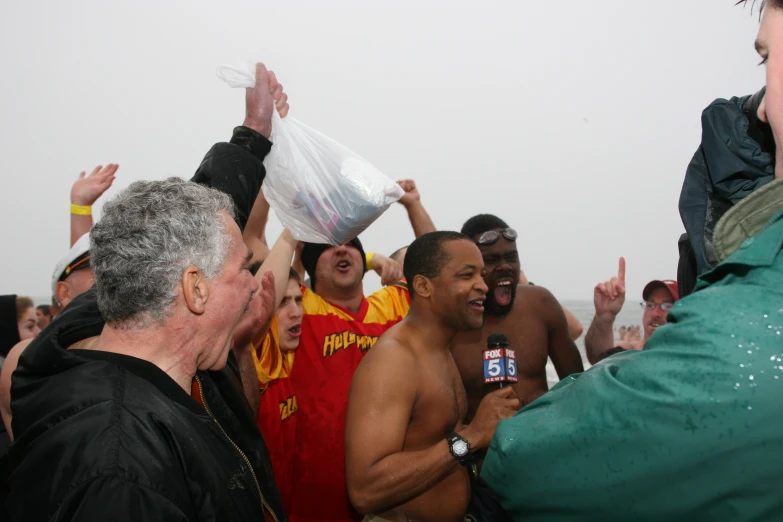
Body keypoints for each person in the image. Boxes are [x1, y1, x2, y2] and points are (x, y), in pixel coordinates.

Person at [480, 4, 783, 519]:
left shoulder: (717, 338)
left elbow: (539, 444)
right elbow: (604, 360)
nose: (757, 109)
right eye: (652, 303)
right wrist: (608, 327)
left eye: (768, 59)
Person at [7, 178, 282, 521]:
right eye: (243, 269)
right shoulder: (121, 471)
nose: (253, 284)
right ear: (195, 288)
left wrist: (252, 134)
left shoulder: (143, 383)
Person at [345, 231, 519, 522]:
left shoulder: (440, 349)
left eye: (481, 274)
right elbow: (365, 490)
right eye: (467, 276)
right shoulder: (393, 360)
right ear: (424, 286)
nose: (483, 286)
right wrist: (472, 436)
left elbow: (433, 435)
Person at [451, 214, 584, 416]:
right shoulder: (450, 323)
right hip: (482, 445)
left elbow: (578, 386)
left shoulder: (541, 303)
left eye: (511, 257)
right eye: (491, 260)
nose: (505, 266)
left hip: (542, 437)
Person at [252, 266, 304, 515]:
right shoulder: (257, 361)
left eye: (298, 300)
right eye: (282, 302)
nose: (297, 313)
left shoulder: (288, 358)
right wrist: (290, 233)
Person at [584, 257, 679, 364]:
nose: (655, 313)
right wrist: (604, 317)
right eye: (650, 305)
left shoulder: (689, 357)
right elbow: (598, 359)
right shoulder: (628, 353)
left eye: (667, 306)